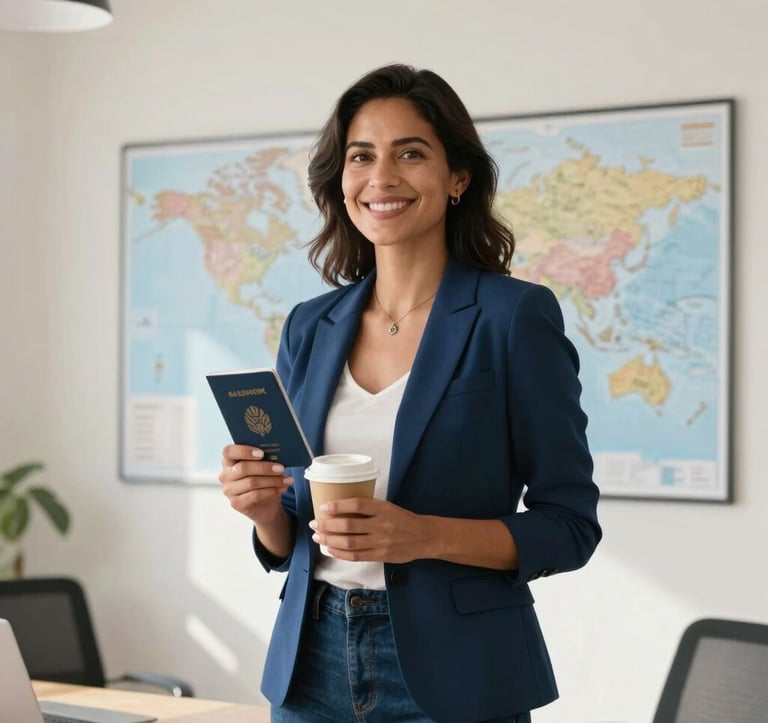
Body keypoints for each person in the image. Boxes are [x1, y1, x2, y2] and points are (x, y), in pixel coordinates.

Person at [219, 63, 601, 723]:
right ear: (341, 183)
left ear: (458, 179)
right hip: (310, 665)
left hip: (458, 674)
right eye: (361, 156)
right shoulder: (311, 325)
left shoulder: (513, 317)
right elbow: (292, 533)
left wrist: (421, 534)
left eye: (411, 153)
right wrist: (262, 511)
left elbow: (569, 527)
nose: (382, 177)